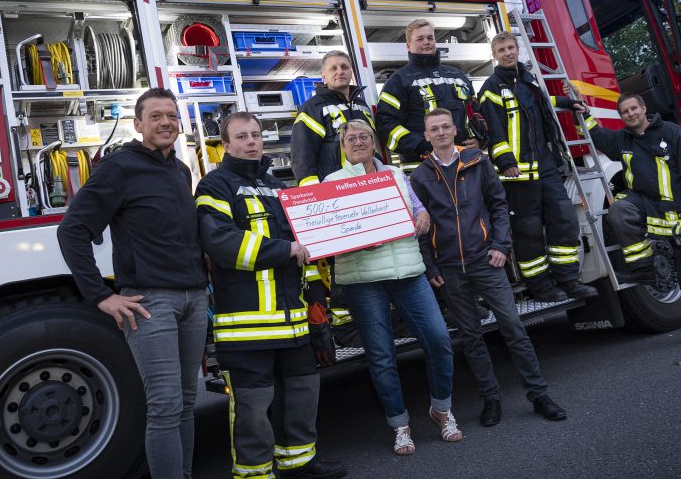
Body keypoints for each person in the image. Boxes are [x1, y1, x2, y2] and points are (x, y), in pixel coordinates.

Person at [56, 87, 209, 479]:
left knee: (187, 402)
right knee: (165, 405)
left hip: (193, 299)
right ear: (138, 124)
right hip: (150, 302)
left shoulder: (179, 169)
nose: (165, 123)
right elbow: (72, 229)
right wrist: (101, 296)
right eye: (155, 116)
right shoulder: (119, 167)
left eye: (171, 116)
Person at [194, 112, 347, 479]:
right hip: (247, 328)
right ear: (226, 145)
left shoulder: (279, 187)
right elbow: (220, 243)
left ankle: (299, 463)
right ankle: (255, 474)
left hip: (293, 323)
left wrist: (316, 309)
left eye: (256, 135)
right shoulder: (214, 186)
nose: (251, 142)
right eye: (242, 136)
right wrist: (284, 250)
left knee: (302, 395)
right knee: (252, 407)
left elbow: (306, 251)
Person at [410, 108, 568, 427]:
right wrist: (430, 266)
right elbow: (421, 226)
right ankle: (490, 399)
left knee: (513, 326)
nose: (440, 133)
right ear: (426, 136)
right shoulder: (420, 175)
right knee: (471, 336)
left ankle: (539, 395)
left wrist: (500, 246)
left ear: (455, 130)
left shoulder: (477, 161)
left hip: (485, 260)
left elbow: (498, 205)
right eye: (433, 129)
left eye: (445, 127)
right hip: (450, 268)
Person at [325, 119, 458, 456]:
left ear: (374, 142)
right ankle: (400, 426)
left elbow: (416, 206)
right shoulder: (332, 183)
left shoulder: (396, 174)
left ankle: (441, 410)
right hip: (363, 280)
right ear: (342, 147)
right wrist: (353, 241)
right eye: (351, 138)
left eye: (364, 136)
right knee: (382, 356)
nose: (358, 141)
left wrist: (423, 214)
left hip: (408, 272)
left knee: (439, 339)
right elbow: (327, 234)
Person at [582, 93, 681, 345]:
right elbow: (599, 136)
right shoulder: (623, 139)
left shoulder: (672, 133)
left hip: (679, 212)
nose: (631, 114)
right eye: (625, 111)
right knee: (619, 211)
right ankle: (644, 269)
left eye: (634, 108)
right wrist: (583, 112)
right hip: (645, 204)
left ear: (644, 108)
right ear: (621, 116)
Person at [477, 31, 598, 302]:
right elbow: (493, 132)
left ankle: (568, 279)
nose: (508, 53)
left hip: (545, 165)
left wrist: (569, 103)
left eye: (511, 47)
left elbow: (543, 103)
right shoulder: (490, 89)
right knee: (528, 231)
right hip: (518, 173)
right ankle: (541, 287)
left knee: (563, 219)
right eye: (502, 50)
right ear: (494, 55)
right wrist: (506, 162)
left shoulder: (528, 79)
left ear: (518, 49)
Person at [376, 18, 480, 172]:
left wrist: (479, 138)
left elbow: (476, 113)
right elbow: (385, 124)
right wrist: (421, 146)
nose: (427, 42)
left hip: (465, 161)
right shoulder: (398, 80)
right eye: (420, 38)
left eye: (430, 38)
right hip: (424, 167)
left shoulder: (458, 76)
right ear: (408, 45)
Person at [291, 50, 374, 186]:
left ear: (351, 72)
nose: (340, 71)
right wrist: (313, 191)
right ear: (323, 75)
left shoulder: (361, 105)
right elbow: (302, 156)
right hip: (336, 186)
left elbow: (371, 146)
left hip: (370, 181)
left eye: (344, 67)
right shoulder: (312, 108)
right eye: (333, 68)